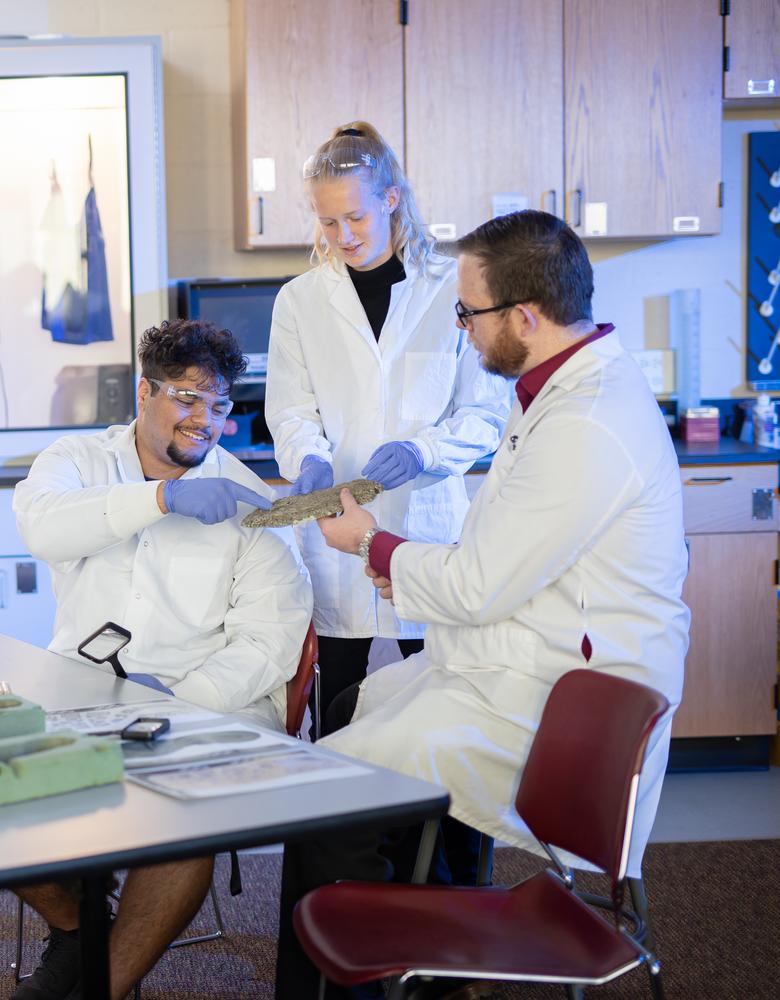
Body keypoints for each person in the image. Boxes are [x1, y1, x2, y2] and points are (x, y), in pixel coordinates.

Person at [274, 209, 690, 999]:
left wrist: (372, 544)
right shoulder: (555, 391)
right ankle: (418, 959)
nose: (459, 327)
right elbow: (500, 559)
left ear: (524, 317)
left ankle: (375, 970)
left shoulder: (587, 423)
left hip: (556, 704)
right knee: (359, 713)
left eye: (467, 313)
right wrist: (405, 563)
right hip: (516, 660)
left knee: (330, 789)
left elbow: (477, 583)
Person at [11, 317, 313, 1000]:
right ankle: (75, 930)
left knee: (186, 820)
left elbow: (268, 643)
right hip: (82, 691)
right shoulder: (78, 462)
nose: (204, 420)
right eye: (186, 398)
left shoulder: (249, 503)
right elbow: (43, 527)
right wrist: (159, 498)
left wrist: (170, 706)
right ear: (144, 391)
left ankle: (101, 990)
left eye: (219, 404)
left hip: (206, 706)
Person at [265, 121, 509, 737]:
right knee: (336, 713)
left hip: (426, 533)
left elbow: (484, 414)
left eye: (355, 218)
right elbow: (291, 409)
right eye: (326, 222)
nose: (341, 236)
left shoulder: (452, 288)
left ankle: (438, 838)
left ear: (391, 198)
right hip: (335, 534)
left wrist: (424, 450)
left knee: (440, 714)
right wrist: (308, 460)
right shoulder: (299, 300)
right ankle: (337, 832)